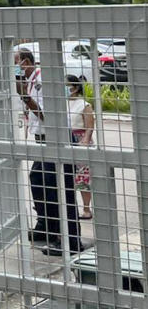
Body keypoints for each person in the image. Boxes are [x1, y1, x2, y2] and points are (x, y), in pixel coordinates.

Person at [20, 50, 85, 256]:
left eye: (17, 63)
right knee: (38, 179)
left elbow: (48, 116)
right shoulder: (31, 80)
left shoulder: (41, 82)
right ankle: (47, 225)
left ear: (26, 62)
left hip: (56, 139)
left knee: (61, 190)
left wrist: (26, 98)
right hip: (44, 141)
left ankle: (70, 241)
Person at [68, 74, 95, 219]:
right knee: (68, 177)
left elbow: (90, 127)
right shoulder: (61, 103)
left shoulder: (84, 105)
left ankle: (86, 209)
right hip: (66, 140)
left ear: (75, 88)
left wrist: (84, 141)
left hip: (80, 141)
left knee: (83, 178)